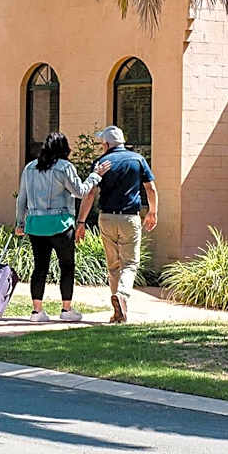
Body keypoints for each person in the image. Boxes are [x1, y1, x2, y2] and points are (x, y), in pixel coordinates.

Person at [15, 132, 111, 322]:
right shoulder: (65, 167)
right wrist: (95, 175)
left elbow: (22, 199)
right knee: (67, 266)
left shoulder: (30, 168)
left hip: (35, 225)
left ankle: (37, 311)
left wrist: (20, 223)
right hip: (61, 224)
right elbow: (80, 191)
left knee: (39, 267)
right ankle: (66, 310)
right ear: (64, 148)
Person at [75, 125, 157, 323]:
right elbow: (150, 188)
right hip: (129, 217)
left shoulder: (101, 162)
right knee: (130, 263)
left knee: (113, 265)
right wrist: (153, 211)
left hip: (107, 217)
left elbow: (90, 194)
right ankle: (122, 295)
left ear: (107, 143)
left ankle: (117, 312)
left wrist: (81, 222)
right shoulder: (138, 160)